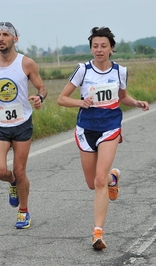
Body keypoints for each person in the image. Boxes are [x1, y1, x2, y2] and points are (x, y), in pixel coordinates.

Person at [57, 27, 149, 250]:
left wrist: (136, 103)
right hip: (86, 128)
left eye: (103, 46)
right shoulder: (82, 70)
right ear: (91, 48)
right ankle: (113, 179)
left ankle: (97, 233)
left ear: (111, 49)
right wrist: (81, 103)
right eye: (95, 46)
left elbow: (123, 97)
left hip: (110, 127)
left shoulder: (120, 71)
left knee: (99, 180)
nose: (99, 50)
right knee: (93, 183)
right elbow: (61, 99)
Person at [0, 21, 47, 229]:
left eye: (5, 34)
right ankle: (13, 184)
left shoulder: (26, 63)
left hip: (22, 123)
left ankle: (23, 211)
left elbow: (41, 87)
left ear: (14, 39)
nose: (0, 38)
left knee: (20, 170)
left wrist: (39, 98)